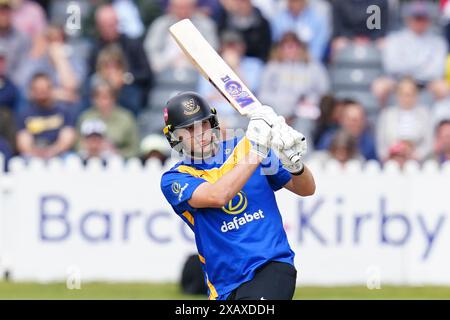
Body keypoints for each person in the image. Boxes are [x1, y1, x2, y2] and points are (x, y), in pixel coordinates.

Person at [160, 91, 315, 300]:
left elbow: (306, 188)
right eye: (189, 129)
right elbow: (219, 196)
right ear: (174, 137)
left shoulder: (247, 147)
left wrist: (295, 164)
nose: (200, 133)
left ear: (213, 123)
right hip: (223, 285)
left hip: (271, 265)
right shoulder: (175, 178)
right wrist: (257, 151)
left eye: (204, 124)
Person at [373, 0, 448, 106]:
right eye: (417, 18)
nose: (420, 21)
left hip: (425, 83)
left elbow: (436, 71)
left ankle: (436, 120)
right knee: (380, 86)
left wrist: (411, 71)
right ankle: (385, 119)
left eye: (423, 18)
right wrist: (417, 69)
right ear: (408, 19)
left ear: (429, 20)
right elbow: (391, 66)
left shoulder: (438, 42)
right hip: (398, 80)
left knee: (443, 88)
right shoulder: (394, 39)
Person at [88, 4, 152, 108]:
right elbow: (90, 75)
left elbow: (146, 74)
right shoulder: (95, 48)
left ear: (117, 23)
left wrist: (124, 78)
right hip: (102, 92)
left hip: (128, 92)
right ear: (98, 27)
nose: (109, 29)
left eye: (111, 24)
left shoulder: (133, 45)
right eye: (105, 26)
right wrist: (105, 77)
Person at [16, 73, 77, 159]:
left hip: (59, 154)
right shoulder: (25, 114)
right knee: (17, 162)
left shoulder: (64, 112)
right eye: (38, 89)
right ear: (31, 91)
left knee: (72, 159)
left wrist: (52, 151)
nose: (42, 93)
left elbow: (67, 138)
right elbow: (23, 142)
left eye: (44, 88)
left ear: (51, 89)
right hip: (32, 156)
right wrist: (36, 153)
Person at [77, 80, 139, 158]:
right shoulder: (85, 117)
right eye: (98, 97)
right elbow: (77, 144)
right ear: (93, 99)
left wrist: (117, 153)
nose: (103, 101)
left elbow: (134, 149)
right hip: (88, 161)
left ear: (114, 98)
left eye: (107, 97)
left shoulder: (126, 118)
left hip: (119, 164)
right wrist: (92, 148)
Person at [376, 78, 433, 162]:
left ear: (416, 95)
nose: (406, 98)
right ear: (397, 95)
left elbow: (429, 143)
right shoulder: (386, 115)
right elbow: (381, 145)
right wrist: (391, 156)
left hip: (418, 163)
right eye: (403, 94)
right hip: (392, 164)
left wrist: (416, 155)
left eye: (410, 94)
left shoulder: (425, 114)